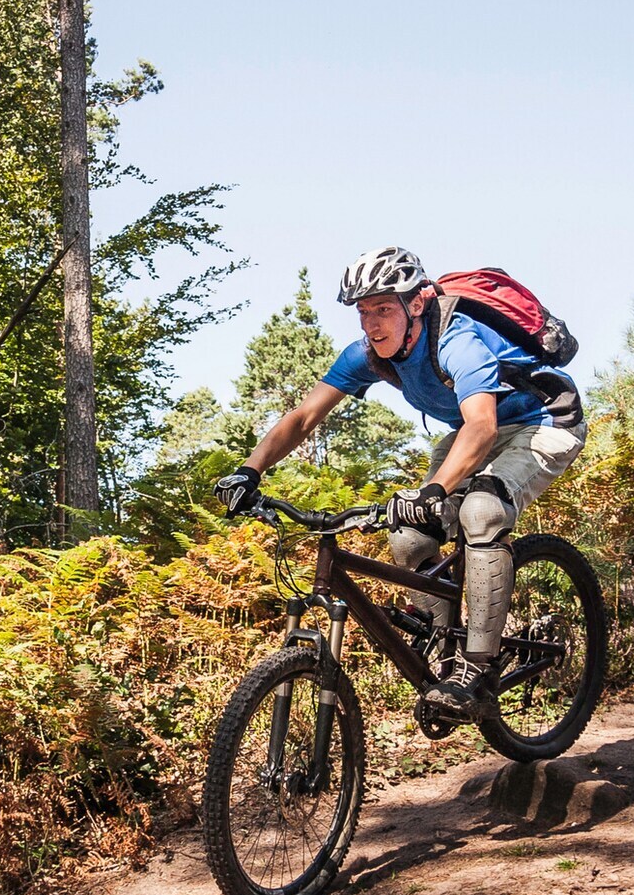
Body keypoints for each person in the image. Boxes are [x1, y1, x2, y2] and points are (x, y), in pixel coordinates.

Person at [212, 247, 588, 720]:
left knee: (481, 511)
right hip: (474, 431)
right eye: (363, 312)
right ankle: (443, 654)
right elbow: (305, 417)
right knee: (409, 536)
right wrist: (250, 471)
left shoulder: (458, 341)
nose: (371, 324)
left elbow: (482, 428)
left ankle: (475, 666)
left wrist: (434, 492)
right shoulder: (367, 356)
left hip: (542, 423)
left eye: (383, 308)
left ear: (416, 304)